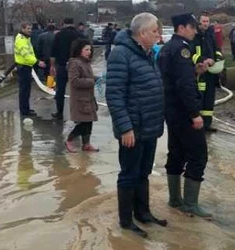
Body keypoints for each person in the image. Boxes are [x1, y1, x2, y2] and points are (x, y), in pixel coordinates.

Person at [105, 12, 167, 238]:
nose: (158, 35)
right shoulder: (121, 54)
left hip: (149, 126)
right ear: (141, 33)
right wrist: (125, 128)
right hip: (133, 129)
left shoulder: (147, 53)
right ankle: (126, 221)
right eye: (154, 31)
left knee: (143, 172)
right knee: (129, 174)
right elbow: (114, 94)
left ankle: (143, 213)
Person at [158, 13, 212, 220]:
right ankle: (190, 204)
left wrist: (195, 71)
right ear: (182, 28)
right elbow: (184, 85)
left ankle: (174, 200)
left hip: (171, 111)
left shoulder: (166, 48)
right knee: (198, 156)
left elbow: (175, 79)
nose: (195, 30)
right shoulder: (182, 50)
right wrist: (195, 114)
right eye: (192, 27)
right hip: (183, 112)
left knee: (177, 153)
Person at [64, 39, 99, 153]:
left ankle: (86, 144)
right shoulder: (74, 63)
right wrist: (91, 81)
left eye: (90, 49)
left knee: (89, 122)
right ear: (79, 50)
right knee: (83, 123)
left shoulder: (86, 62)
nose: (89, 52)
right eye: (86, 50)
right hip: (80, 99)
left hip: (88, 98)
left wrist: (96, 78)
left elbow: (89, 77)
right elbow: (74, 81)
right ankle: (69, 140)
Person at [191, 12, 223, 132]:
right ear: (198, 23)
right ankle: (197, 124)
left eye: (207, 21)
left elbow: (216, 49)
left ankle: (207, 124)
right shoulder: (194, 37)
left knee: (210, 98)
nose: (205, 24)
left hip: (211, 72)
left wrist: (218, 58)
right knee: (200, 98)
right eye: (203, 21)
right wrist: (203, 60)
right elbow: (192, 54)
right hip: (200, 72)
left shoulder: (210, 35)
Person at [50, 17, 80, 120]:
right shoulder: (79, 35)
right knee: (76, 89)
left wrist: (52, 66)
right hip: (76, 66)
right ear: (73, 23)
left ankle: (59, 112)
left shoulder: (58, 35)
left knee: (60, 90)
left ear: (63, 24)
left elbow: (53, 52)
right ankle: (77, 115)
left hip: (62, 66)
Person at [14, 22, 45, 117]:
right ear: (22, 29)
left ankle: (26, 109)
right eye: (28, 28)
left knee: (26, 90)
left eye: (30, 28)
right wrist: (37, 62)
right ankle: (24, 111)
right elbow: (26, 55)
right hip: (23, 67)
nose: (30, 30)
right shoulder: (21, 40)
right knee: (24, 90)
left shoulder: (26, 38)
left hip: (26, 66)